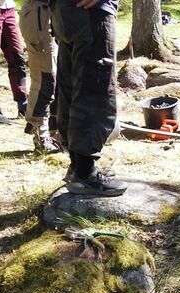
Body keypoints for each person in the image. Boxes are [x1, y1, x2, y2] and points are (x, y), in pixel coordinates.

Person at [50, 0, 127, 196]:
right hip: (91, 12)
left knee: (72, 83)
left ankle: (78, 166)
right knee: (94, 85)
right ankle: (85, 173)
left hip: (64, 11)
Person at [19, 0, 60, 153]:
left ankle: (55, 131)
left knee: (59, 78)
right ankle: (39, 134)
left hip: (55, 15)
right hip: (40, 16)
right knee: (46, 78)